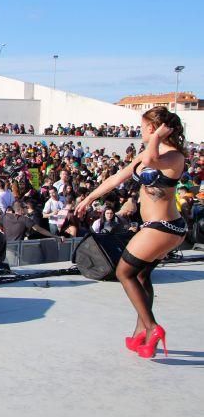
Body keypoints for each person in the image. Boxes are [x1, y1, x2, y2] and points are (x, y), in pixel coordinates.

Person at [77, 107, 187, 358]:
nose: (140, 131)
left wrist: (157, 138)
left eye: (143, 126)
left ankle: (152, 328)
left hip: (165, 226)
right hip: (155, 227)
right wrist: (89, 198)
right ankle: (143, 334)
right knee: (140, 276)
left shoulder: (174, 156)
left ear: (153, 127)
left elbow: (151, 161)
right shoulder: (146, 154)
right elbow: (116, 178)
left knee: (123, 272)